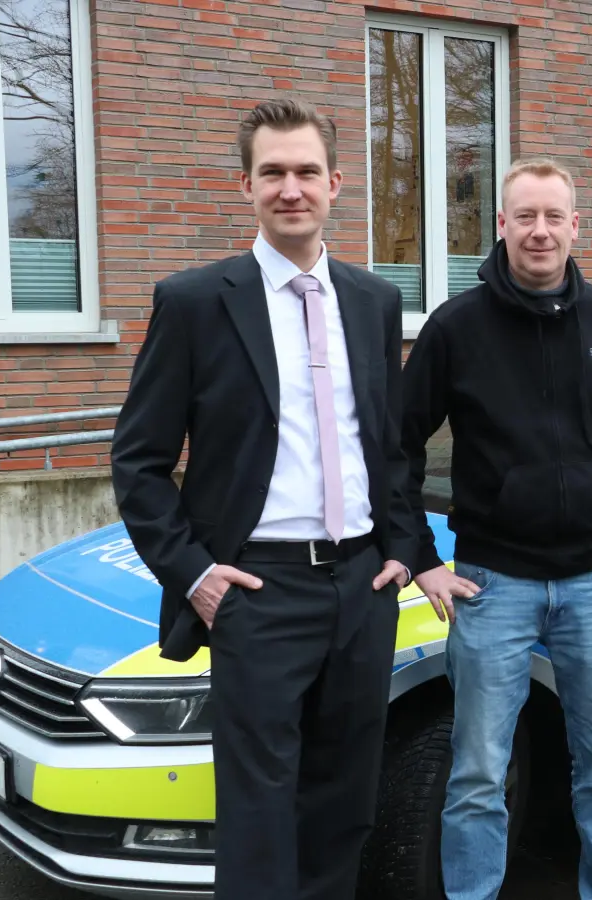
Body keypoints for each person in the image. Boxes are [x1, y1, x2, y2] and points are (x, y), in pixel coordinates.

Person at [111, 98, 412, 900]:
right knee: (257, 809)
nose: (291, 188)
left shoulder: (374, 302)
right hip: (255, 591)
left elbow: (386, 443)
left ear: (336, 183)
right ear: (244, 185)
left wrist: (402, 552)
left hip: (360, 585)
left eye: (306, 171)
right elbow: (139, 461)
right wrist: (196, 575)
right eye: (272, 172)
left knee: (345, 800)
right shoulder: (195, 302)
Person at [398, 158, 592, 900]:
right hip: (493, 582)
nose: (539, 230)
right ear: (500, 224)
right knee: (478, 772)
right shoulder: (456, 327)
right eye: (524, 215)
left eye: (554, 216)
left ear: (575, 225)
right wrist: (421, 559)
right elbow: (394, 450)